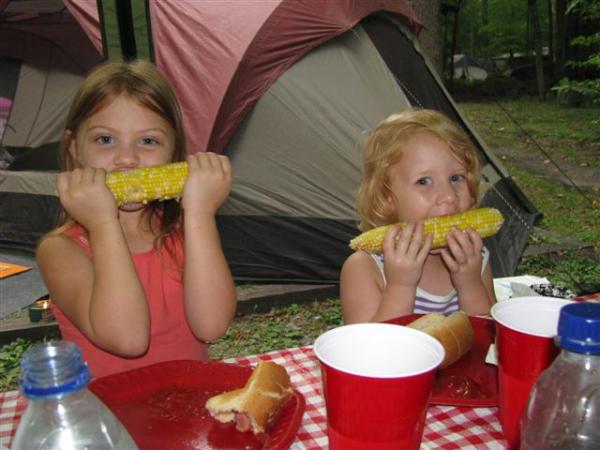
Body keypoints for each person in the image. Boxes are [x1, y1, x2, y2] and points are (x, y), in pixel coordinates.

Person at [36, 60, 236, 378]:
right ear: (74, 148)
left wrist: (200, 213)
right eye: (105, 139)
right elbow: (128, 339)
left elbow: (211, 326)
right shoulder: (60, 250)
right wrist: (103, 224)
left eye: (148, 141)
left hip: (190, 408)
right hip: (111, 417)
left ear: (174, 154)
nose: (127, 159)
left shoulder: (187, 232)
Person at [340, 108, 496, 323]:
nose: (448, 196)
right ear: (388, 199)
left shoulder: (476, 258)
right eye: (424, 181)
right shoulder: (364, 269)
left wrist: (470, 285)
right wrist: (400, 286)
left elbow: (489, 343)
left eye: (456, 178)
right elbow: (369, 352)